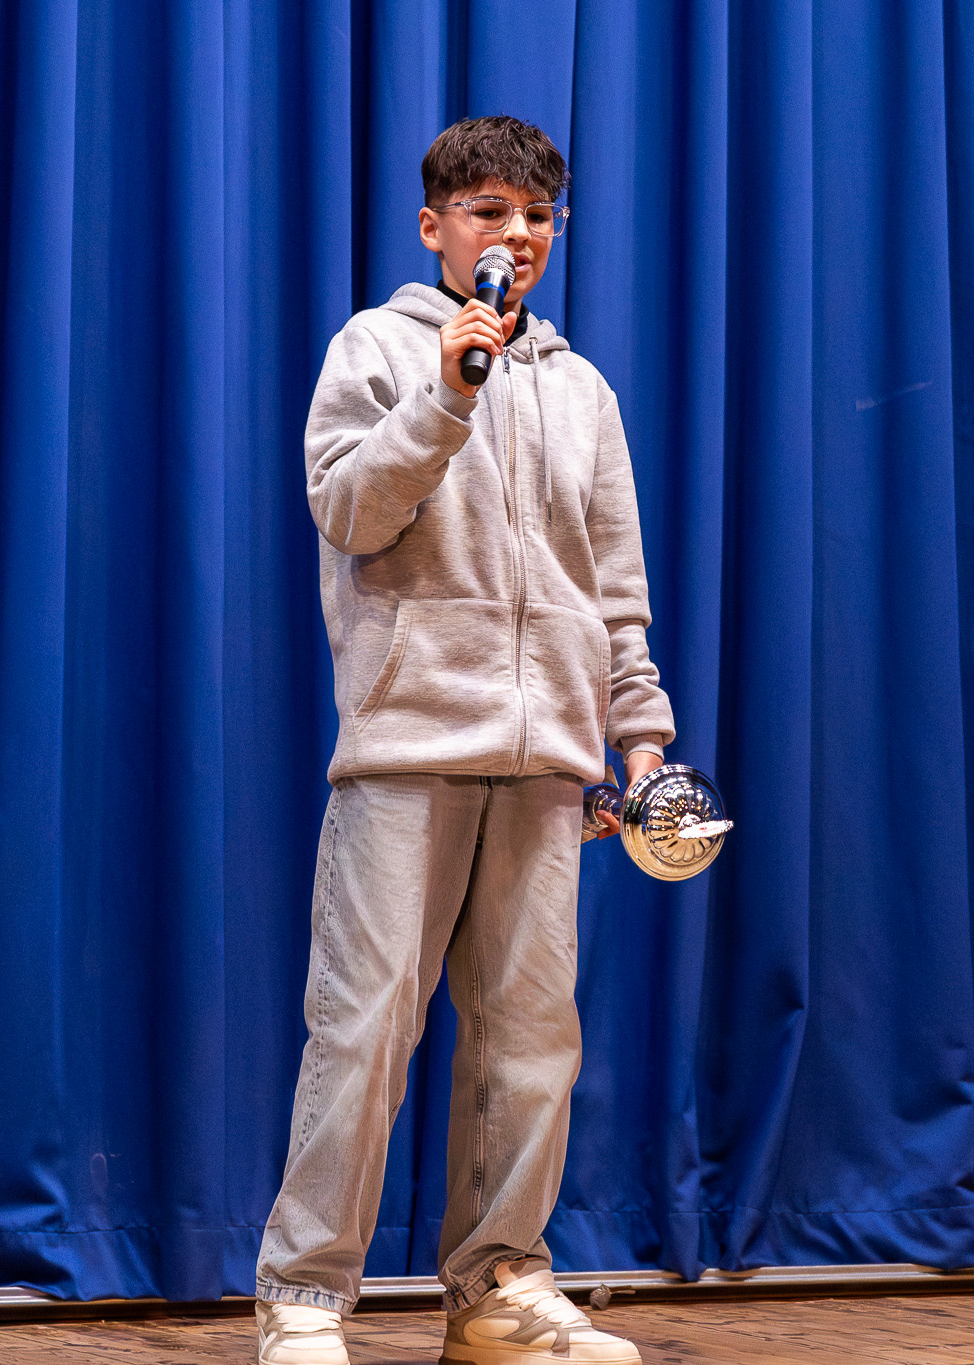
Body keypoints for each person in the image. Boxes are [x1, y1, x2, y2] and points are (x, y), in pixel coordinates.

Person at [252, 115, 674, 1365]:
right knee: (366, 1024)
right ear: (436, 226)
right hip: (406, 745)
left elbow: (613, 585)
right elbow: (351, 509)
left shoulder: (581, 389)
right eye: (490, 212)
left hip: (550, 760)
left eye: (536, 216)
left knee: (529, 1039)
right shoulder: (376, 352)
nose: (517, 236)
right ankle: (306, 1294)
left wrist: (635, 737)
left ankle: (497, 1290)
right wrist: (445, 391)